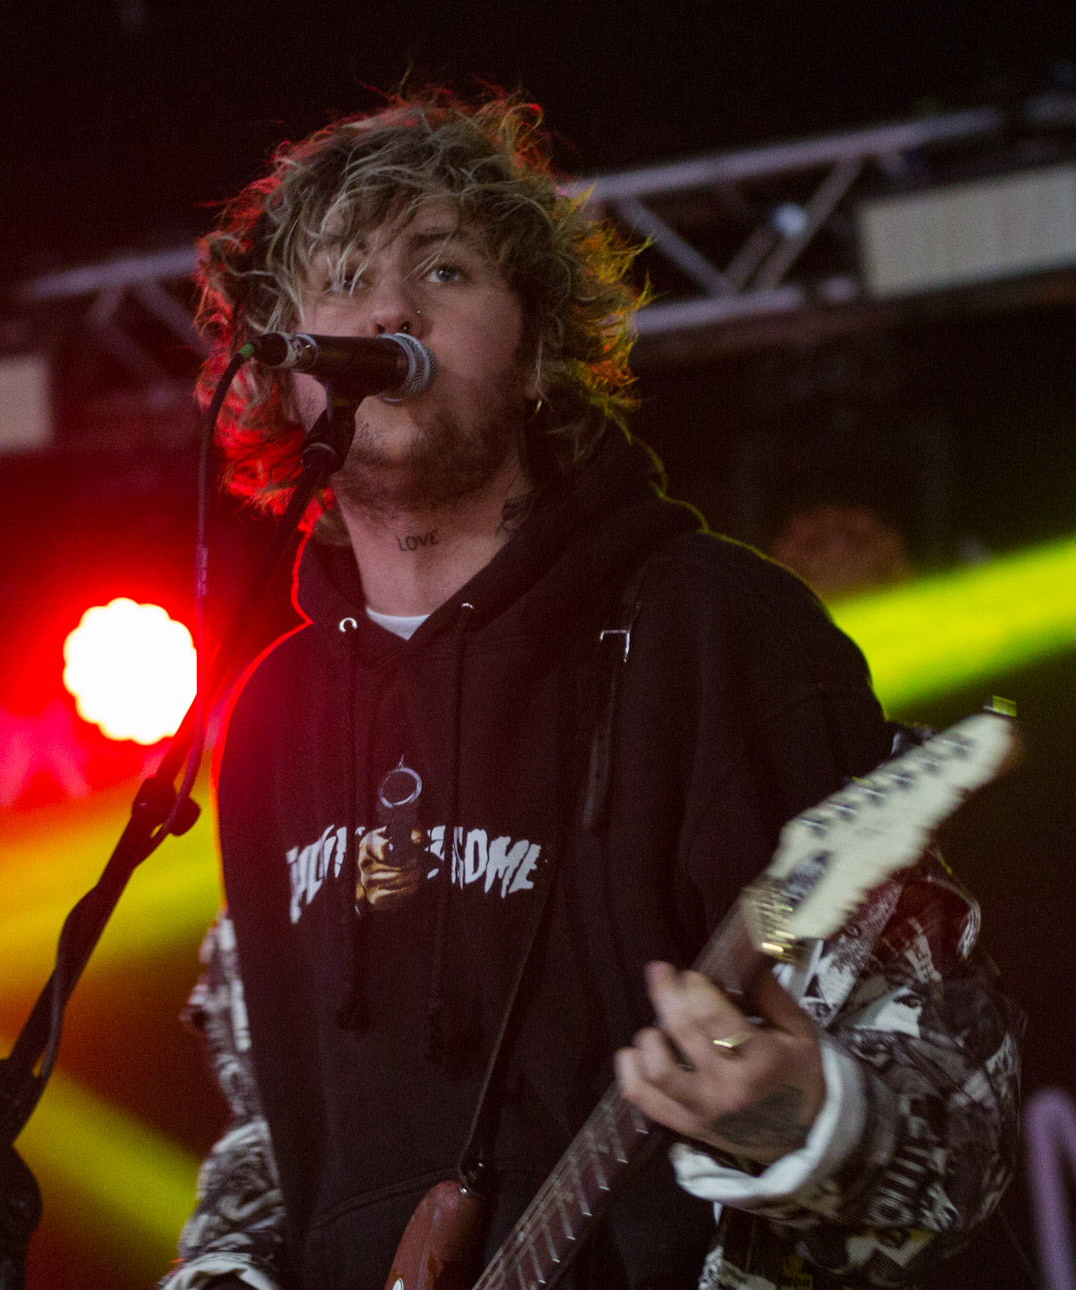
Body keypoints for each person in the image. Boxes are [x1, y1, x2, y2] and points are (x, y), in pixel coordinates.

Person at [161, 92, 1021, 1290]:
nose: (390, 308)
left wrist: (812, 1128)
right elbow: (276, 1144)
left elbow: (953, 1098)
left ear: (537, 356)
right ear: (284, 359)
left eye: (446, 269)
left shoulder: (712, 629)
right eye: (343, 277)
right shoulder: (270, 718)